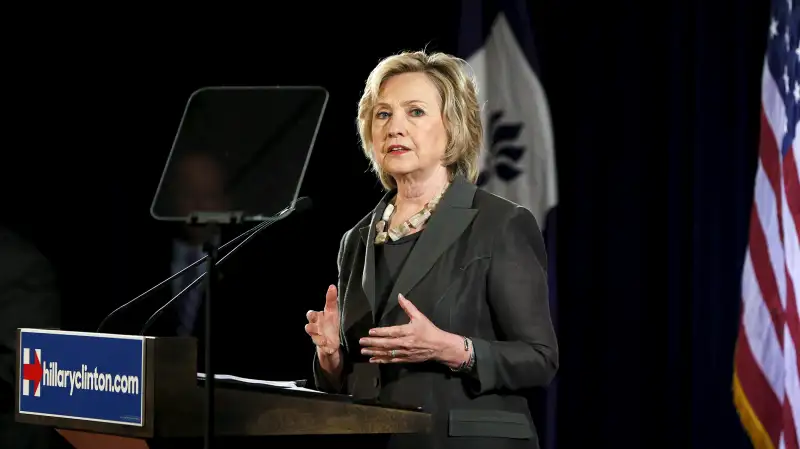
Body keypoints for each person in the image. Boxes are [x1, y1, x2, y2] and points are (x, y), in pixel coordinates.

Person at [304, 50, 558, 449]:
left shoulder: (499, 223)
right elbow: (357, 377)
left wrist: (451, 349)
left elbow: (540, 359)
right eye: (383, 114)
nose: (394, 127)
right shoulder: (356, 240)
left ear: (453, 126)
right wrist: (332, 358)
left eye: (415, 112)